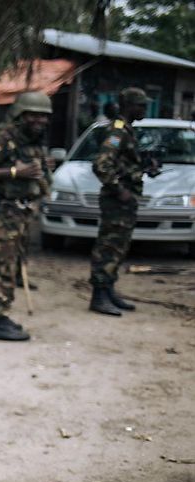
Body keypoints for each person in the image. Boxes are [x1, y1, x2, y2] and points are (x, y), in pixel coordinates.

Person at [0, 92, 52, 341]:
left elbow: (40, 176)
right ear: (21, 115)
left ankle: (4, 315)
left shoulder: (34, 141)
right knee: (1, 267)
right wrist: (16, 172)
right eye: (34, 115)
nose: (40, 121)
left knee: (12, 267)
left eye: (44, 116)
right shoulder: (3, 138)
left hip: (22, 214)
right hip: (3, 213)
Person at [89, 87, 157, 316]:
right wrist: (119, 190)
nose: (144, 109)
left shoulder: (128, 131)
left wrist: (146, 167)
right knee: (108, 246)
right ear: (128, 106)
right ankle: (99, 295)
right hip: (116, 201)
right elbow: (101, 165)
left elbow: (124, 165)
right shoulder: (117, 132)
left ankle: (108, 290)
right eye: (141, 105)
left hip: (125, 201)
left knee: (118, 247)